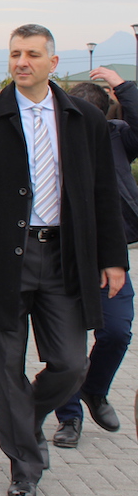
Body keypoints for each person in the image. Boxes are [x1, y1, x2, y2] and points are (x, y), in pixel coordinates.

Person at [0, 24, 127, 496]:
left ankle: (24, 418)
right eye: (15, 54)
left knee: (71, 364)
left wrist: (113, 259)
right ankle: (25, 467)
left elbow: (104, 193)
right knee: (6, 370)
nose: (22, 62)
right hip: (3, 260)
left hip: (65, 258)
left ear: (53, 63)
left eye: (32, 54)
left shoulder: (85, 118)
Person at [50, 69, 138, 448]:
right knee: (66, 347)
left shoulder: (117, 138)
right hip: (60, 256)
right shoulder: (49, 139)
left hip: (108, 258)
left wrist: (122, 86)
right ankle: (69, 417)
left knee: (117, 331)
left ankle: (94, 388)